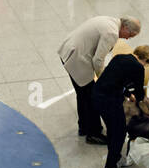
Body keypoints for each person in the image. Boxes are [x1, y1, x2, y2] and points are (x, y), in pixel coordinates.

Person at [57, 15, 141, 144]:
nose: (128, 38)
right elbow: (97, 60)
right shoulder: (112, 33)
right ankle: (93, 133)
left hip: (69, 50)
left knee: (83, 93)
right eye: (130, 34)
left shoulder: (110, 20)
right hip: (76, 57)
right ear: (125, 27)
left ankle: (84, 127)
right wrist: (103, 79)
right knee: (92, 96)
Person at [94, 41, 149, 168]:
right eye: (147, 64)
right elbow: (138, 94)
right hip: (110, 101)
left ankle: (117, 158)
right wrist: (142, 99)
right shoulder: (138, 68)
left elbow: (116, 79)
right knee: (119, 133)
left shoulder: (119, 58)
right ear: (146, 60)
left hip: (97, 94)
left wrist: (126, 94)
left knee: (113, 130)